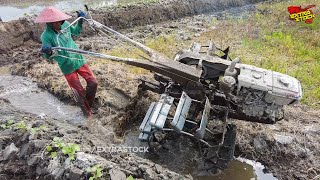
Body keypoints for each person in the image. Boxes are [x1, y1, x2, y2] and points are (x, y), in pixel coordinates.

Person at [35, 7, 98, 117]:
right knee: (79, 92)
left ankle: (89, 106)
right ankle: (88, 116)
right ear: (50, 22)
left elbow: (76, 33)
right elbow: (47, 58)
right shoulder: (46, 36)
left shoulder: (64, 25)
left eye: (61, 20)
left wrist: (80, 21)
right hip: (66, 66)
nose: (60, 23)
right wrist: (47, 51)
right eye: (57, 22)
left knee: (93, 82)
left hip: (78, 59)